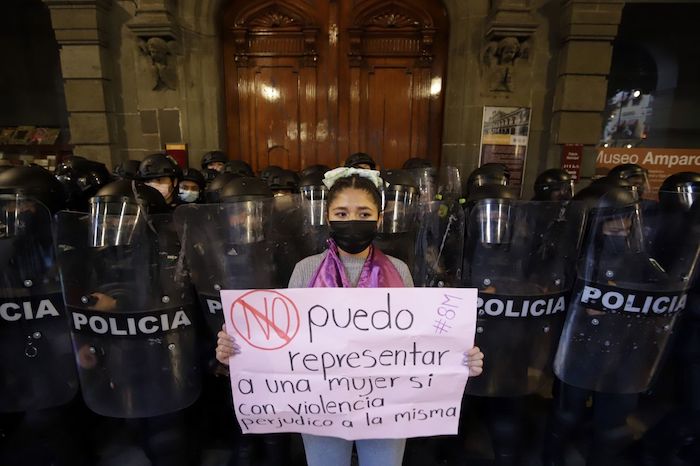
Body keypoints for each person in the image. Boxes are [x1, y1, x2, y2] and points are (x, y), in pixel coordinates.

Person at [215, 167, 484, 466]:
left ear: (379, 218)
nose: (353, 221)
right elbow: (284, 341)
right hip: (320, 404)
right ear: (327, 216)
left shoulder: (399, 270)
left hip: (385, 405)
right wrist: (240, 348)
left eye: (364, 214)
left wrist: (458, 358)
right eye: (342, 214)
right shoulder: (305, 270)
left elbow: (418, 343)